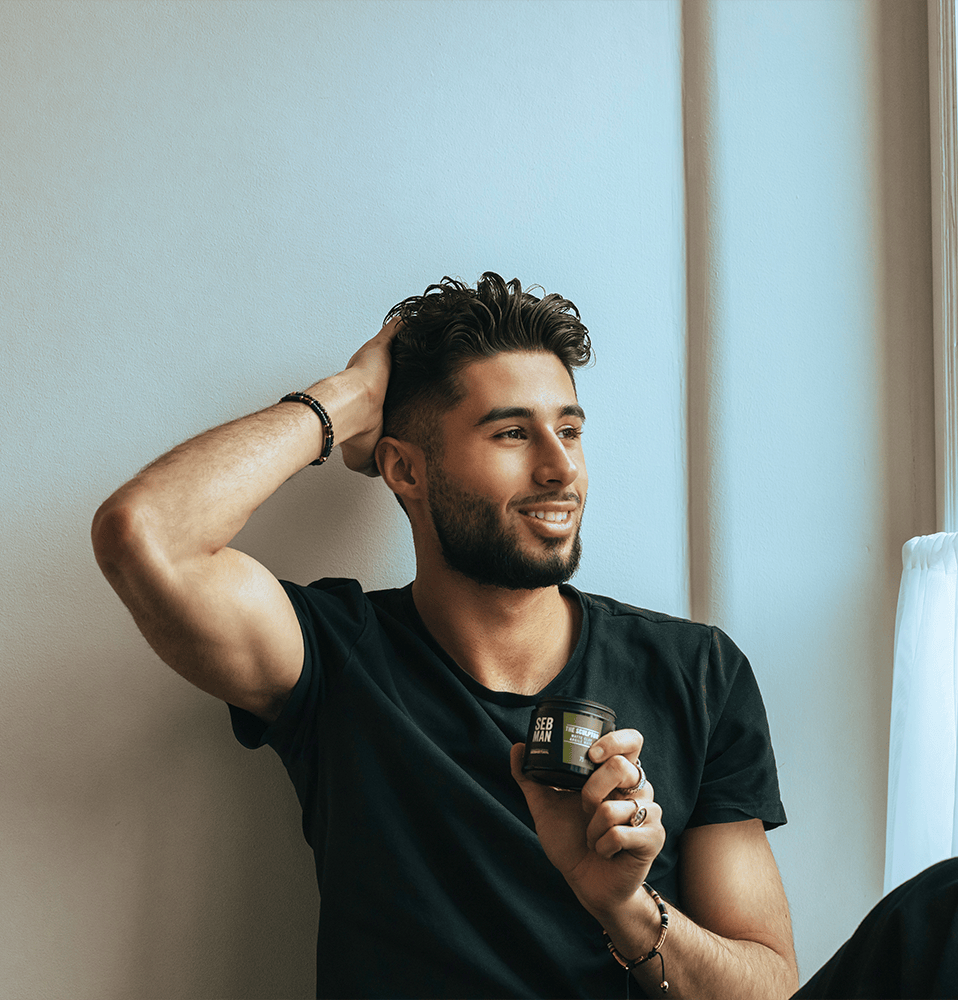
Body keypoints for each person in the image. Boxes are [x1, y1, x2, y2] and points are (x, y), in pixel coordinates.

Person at [91, 273, 950, 999]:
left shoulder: (695, 670)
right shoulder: (337, 655)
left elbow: (767, 989)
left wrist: (622, 905)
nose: (560, 466)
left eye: (569, 429)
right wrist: (345, 399)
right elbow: (144, 533)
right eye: (512, 432)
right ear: (404, 468)